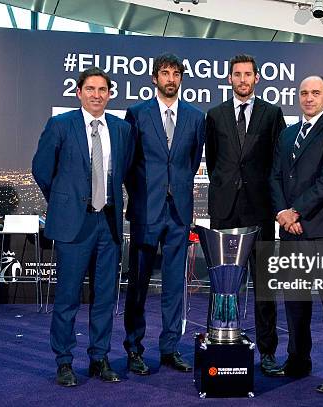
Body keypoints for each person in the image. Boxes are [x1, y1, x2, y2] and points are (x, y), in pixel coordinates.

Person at [32, 67, 134, 386]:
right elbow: (42, 169)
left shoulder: (121, 129)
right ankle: (64, 361)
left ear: (110, 94)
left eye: (102, 89)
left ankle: (99, 358)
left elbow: (125, 169)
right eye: (90, 89)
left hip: (109, 224)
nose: (96, 95)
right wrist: (65, 202)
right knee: (67, 298)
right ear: (79, 93)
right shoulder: (60, 124)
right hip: (73, 225)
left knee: (105, 298)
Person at [269, 75, 323, 392]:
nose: (308, 98)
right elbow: (274, 177)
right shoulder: (288, 133)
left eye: (315, 93)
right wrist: (282, 213)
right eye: (304, 93)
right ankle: (297, 361)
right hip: (291, 230)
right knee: (295, 301)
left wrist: (296, 211)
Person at [123, 53, 205, 375]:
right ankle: (134, 348)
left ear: (181, 78)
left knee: (174, 286)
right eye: (164, 73)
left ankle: (170, 348)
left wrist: (176, 188)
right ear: (154, 78)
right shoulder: (137, 114)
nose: (170, 79)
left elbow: (191, 161)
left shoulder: (195, 117)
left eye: (176, 74)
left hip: (178, 213)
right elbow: (130, 163)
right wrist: (145, 194)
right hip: (146, 210)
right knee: (139, 284)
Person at [205, 54, 286, 377]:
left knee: (264, 286)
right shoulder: (214, 115)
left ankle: (267, 352)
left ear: (256, 79)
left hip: (261, 210)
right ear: (229, 79)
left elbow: (278, 162)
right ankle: (223, 338)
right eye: (236, 74)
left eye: (247, 74)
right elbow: (214, 163)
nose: (242, 79)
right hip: (225, 211)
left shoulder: (272, 113)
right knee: (225, 284)